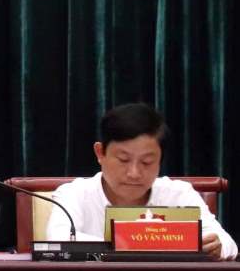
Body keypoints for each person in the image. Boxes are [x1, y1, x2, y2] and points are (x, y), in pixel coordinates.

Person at [45, 103, 235, 260]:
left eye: (147, 162)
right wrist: (132, 243)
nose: (134, 173)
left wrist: (215, 246)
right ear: (100, 153)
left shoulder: (178, 194)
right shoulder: (74, 194)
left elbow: (228, 244)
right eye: (123, 160)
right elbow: (58, 239)